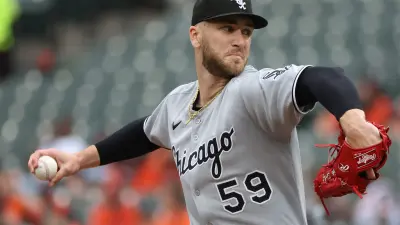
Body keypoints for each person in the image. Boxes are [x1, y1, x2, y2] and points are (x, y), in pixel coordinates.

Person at [28, 0, 384, 224]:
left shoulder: (251, 89)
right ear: (196, 36)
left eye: (245, 31)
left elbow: (321, 77)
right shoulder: (177, 103)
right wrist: (79, 160)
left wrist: (352, 118)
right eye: (227, 28)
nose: (240, 39)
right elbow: (143, 134)